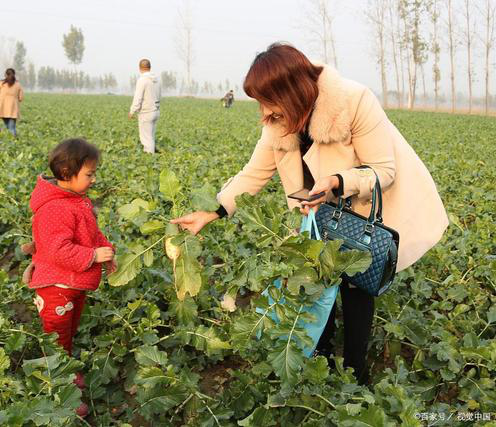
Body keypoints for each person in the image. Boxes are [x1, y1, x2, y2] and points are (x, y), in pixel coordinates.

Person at [171, 43, 448, 385]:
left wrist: (337, 181)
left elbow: (383, 170)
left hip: (357, 209)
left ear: (289, 93)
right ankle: (322, 359)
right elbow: (253, 174)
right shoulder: (277, 122)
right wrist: (211, 212)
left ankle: (356, 371)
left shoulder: (353, 101)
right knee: (317, 282)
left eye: (267, 101)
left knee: (357, 286)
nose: (263, 113)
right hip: (316, 214)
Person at [23, 138, 116, 417]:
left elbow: (92, 234)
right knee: (57, 338)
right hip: (55, 288)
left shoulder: (76, 202)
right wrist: (92, 257)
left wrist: (108, 251)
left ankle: (65, 369)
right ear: (67, 174)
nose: (93, 179)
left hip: (72, 285)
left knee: (68, 332)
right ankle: (59, 389)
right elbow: (56, 249)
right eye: (89, 174)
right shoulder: (54, 208)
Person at [129, 58, 161, 153]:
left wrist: (132, 111)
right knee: (151, 136)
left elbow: (138, 97)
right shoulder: (157, 80)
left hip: (146, 113)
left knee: (146, 139)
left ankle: (150, 160)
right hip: (156, 111)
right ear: (150, 68)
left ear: (140, 68)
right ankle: (153, 158)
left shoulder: (142, 80)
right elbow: (160, 95)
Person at [0, 68, 24, 136]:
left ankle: (3, 131)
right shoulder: (18, 84)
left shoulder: (1, 83)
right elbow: (21, 98)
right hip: (13, 109)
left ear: (5, 75)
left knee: (9, 126)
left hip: (2, 108)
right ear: (14, 75)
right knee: (11, 127)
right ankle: (15, 141)